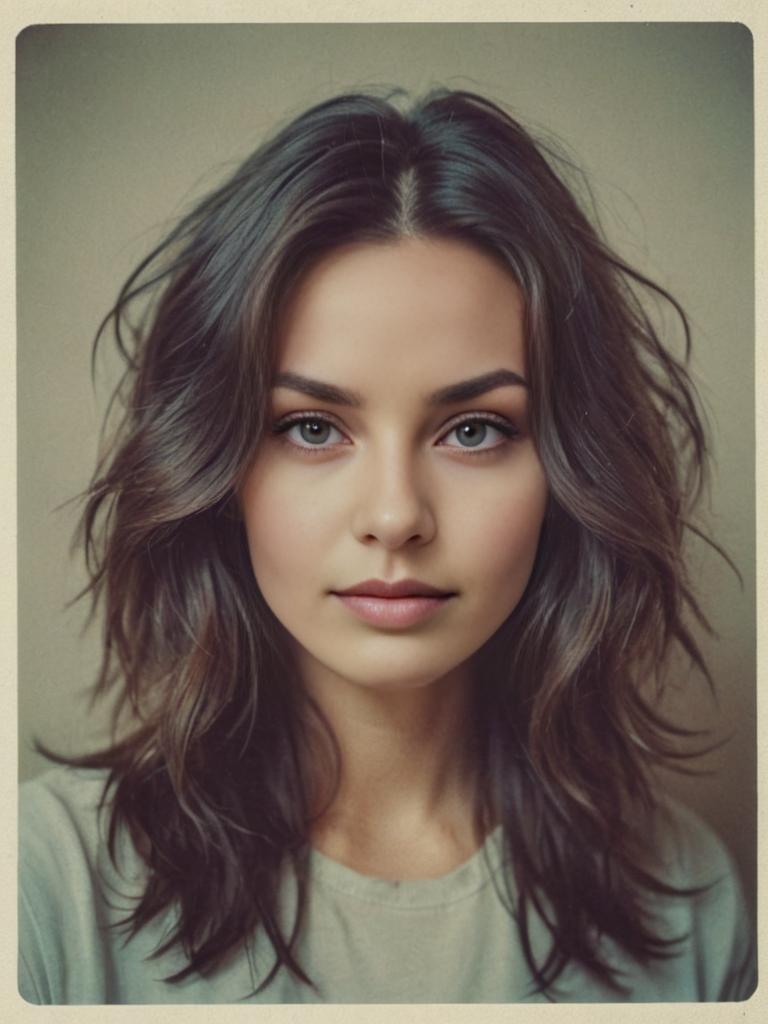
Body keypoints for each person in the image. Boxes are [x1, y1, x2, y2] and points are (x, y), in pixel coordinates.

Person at [19, 88, 755, 1004]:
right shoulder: (43, 888)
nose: (397, 515)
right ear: (219, 469)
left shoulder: (688, 904)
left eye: (476, 430)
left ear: (571, 471)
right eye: (313, 428)